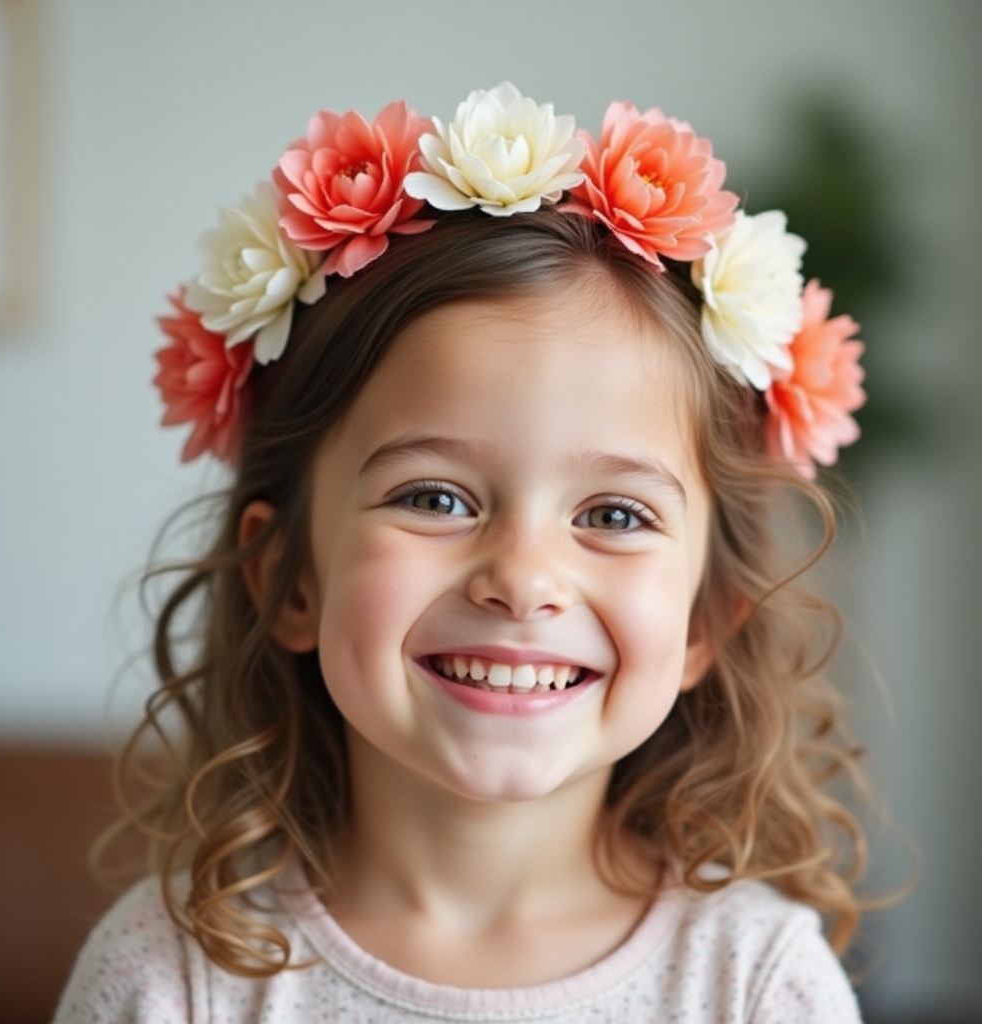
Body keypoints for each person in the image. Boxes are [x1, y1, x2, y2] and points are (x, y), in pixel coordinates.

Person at [55, 84, 872, 1022]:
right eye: (435, 498)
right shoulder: (172, 976)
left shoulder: (757, 982)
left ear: (705, 620)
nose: (523, 580)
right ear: (288, 580)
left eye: (613, 515)